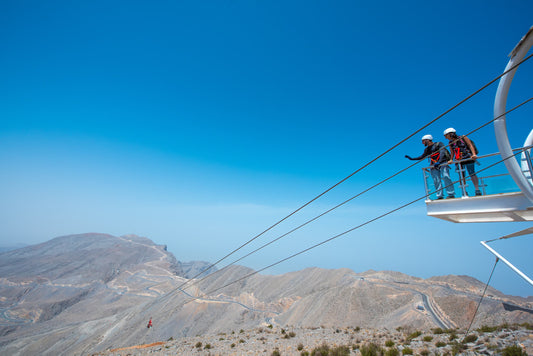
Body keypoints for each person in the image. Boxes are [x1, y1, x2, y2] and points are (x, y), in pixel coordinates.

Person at [405, 134, 455, 199]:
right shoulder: (427, 149)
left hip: (442, 162)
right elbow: (422, 156)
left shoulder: (439, 144)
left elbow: (442, 152)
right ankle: (440, 196)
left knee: (446, 176)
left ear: (427, 140)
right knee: (436, 180)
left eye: (423, 141)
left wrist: (439, 161)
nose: (422, 143)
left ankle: (451, 194)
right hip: (434, 165)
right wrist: (412, 158)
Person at [443, 127, 481, 196]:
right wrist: (451, 159)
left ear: (450, 134)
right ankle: (464, 191)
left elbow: (470, 145)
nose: (445, 138)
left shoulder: (463, 137)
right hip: (459, 160)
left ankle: (477, 189)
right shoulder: (451, 142)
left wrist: (474, 154)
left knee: (472, 173)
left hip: (468, 158)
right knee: (461, 176)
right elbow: (452, 152)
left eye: (446, 135)